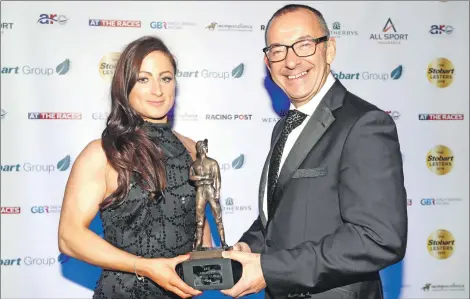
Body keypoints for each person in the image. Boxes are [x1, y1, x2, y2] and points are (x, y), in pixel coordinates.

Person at [221, 4, 408, 299]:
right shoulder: (284, 127)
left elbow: (379, 238)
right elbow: (283, 214)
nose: (291, 61)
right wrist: (250, 247)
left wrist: (271, 269)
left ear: (329, 49)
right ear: (267, 62)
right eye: (278, 50)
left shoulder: (364, 124)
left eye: (304, 45)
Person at [58, 36, 212, 299]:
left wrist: (217, 260)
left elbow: (199, 228)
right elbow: (69, 237)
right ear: (125, 84)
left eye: (166, 78)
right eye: (144, 79)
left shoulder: (192, 150)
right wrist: (146, 267)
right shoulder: (104, 152)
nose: (157, 90)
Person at [189, 139, 228, 250]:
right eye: (204, 146)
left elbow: (217, 178)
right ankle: (198, 244)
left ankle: (223, 242)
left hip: (210, 189)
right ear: (200, 148)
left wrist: (217, 192)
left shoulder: (212, 162)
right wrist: (202, 177)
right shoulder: (194, 164)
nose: (205, 149)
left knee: (218, 216)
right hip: (200, 190)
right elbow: (191, 176)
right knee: (199, 218)